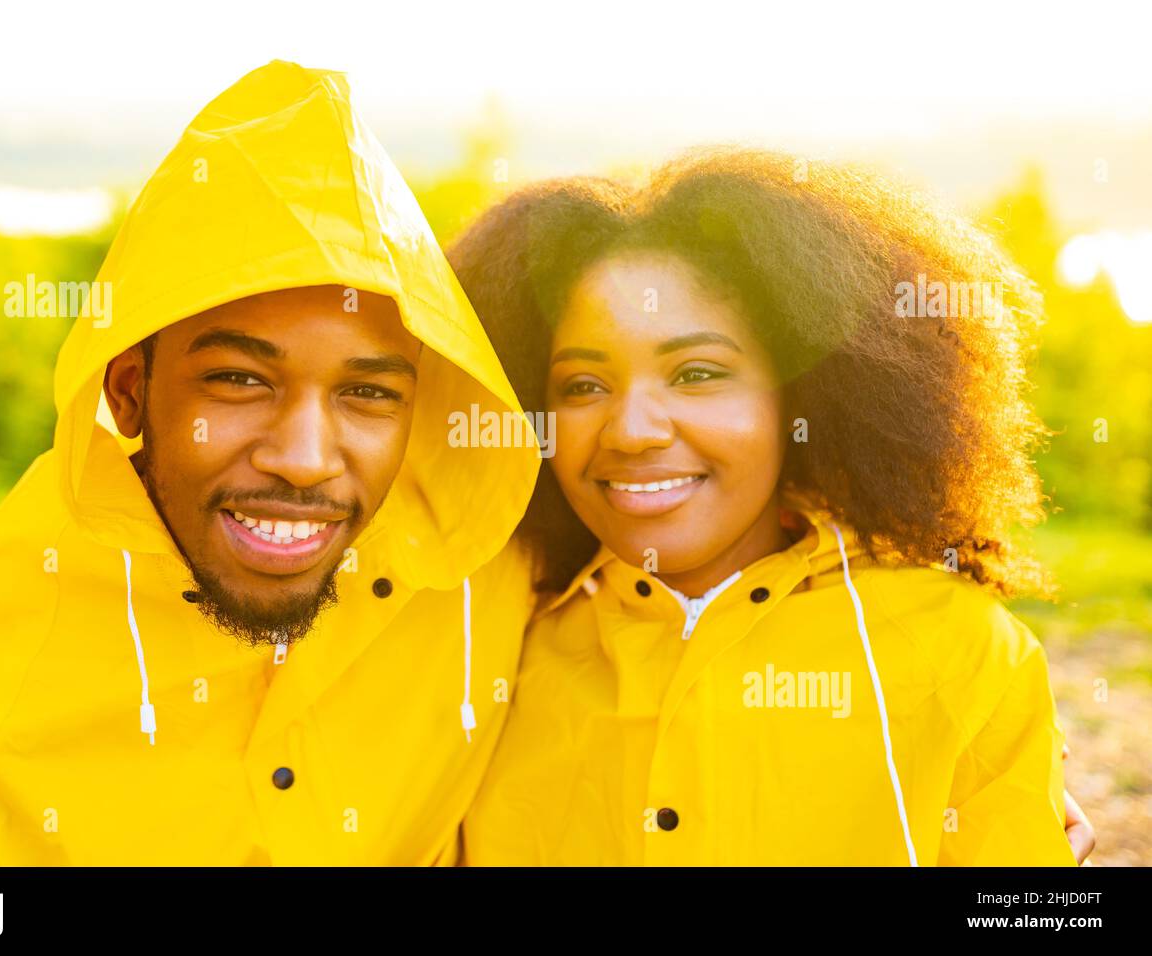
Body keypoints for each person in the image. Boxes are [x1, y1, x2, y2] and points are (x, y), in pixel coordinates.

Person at [0, 61, 538, 865]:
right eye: (240, 381)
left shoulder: (489, 581)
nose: (303, 459)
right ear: (129, 392)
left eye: (367, 393)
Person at [451, 149, 1088, 865]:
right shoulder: (490, 647)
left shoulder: (954, 649)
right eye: (581, 385)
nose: (631, 430)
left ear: (802, 396)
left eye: (696, 373)